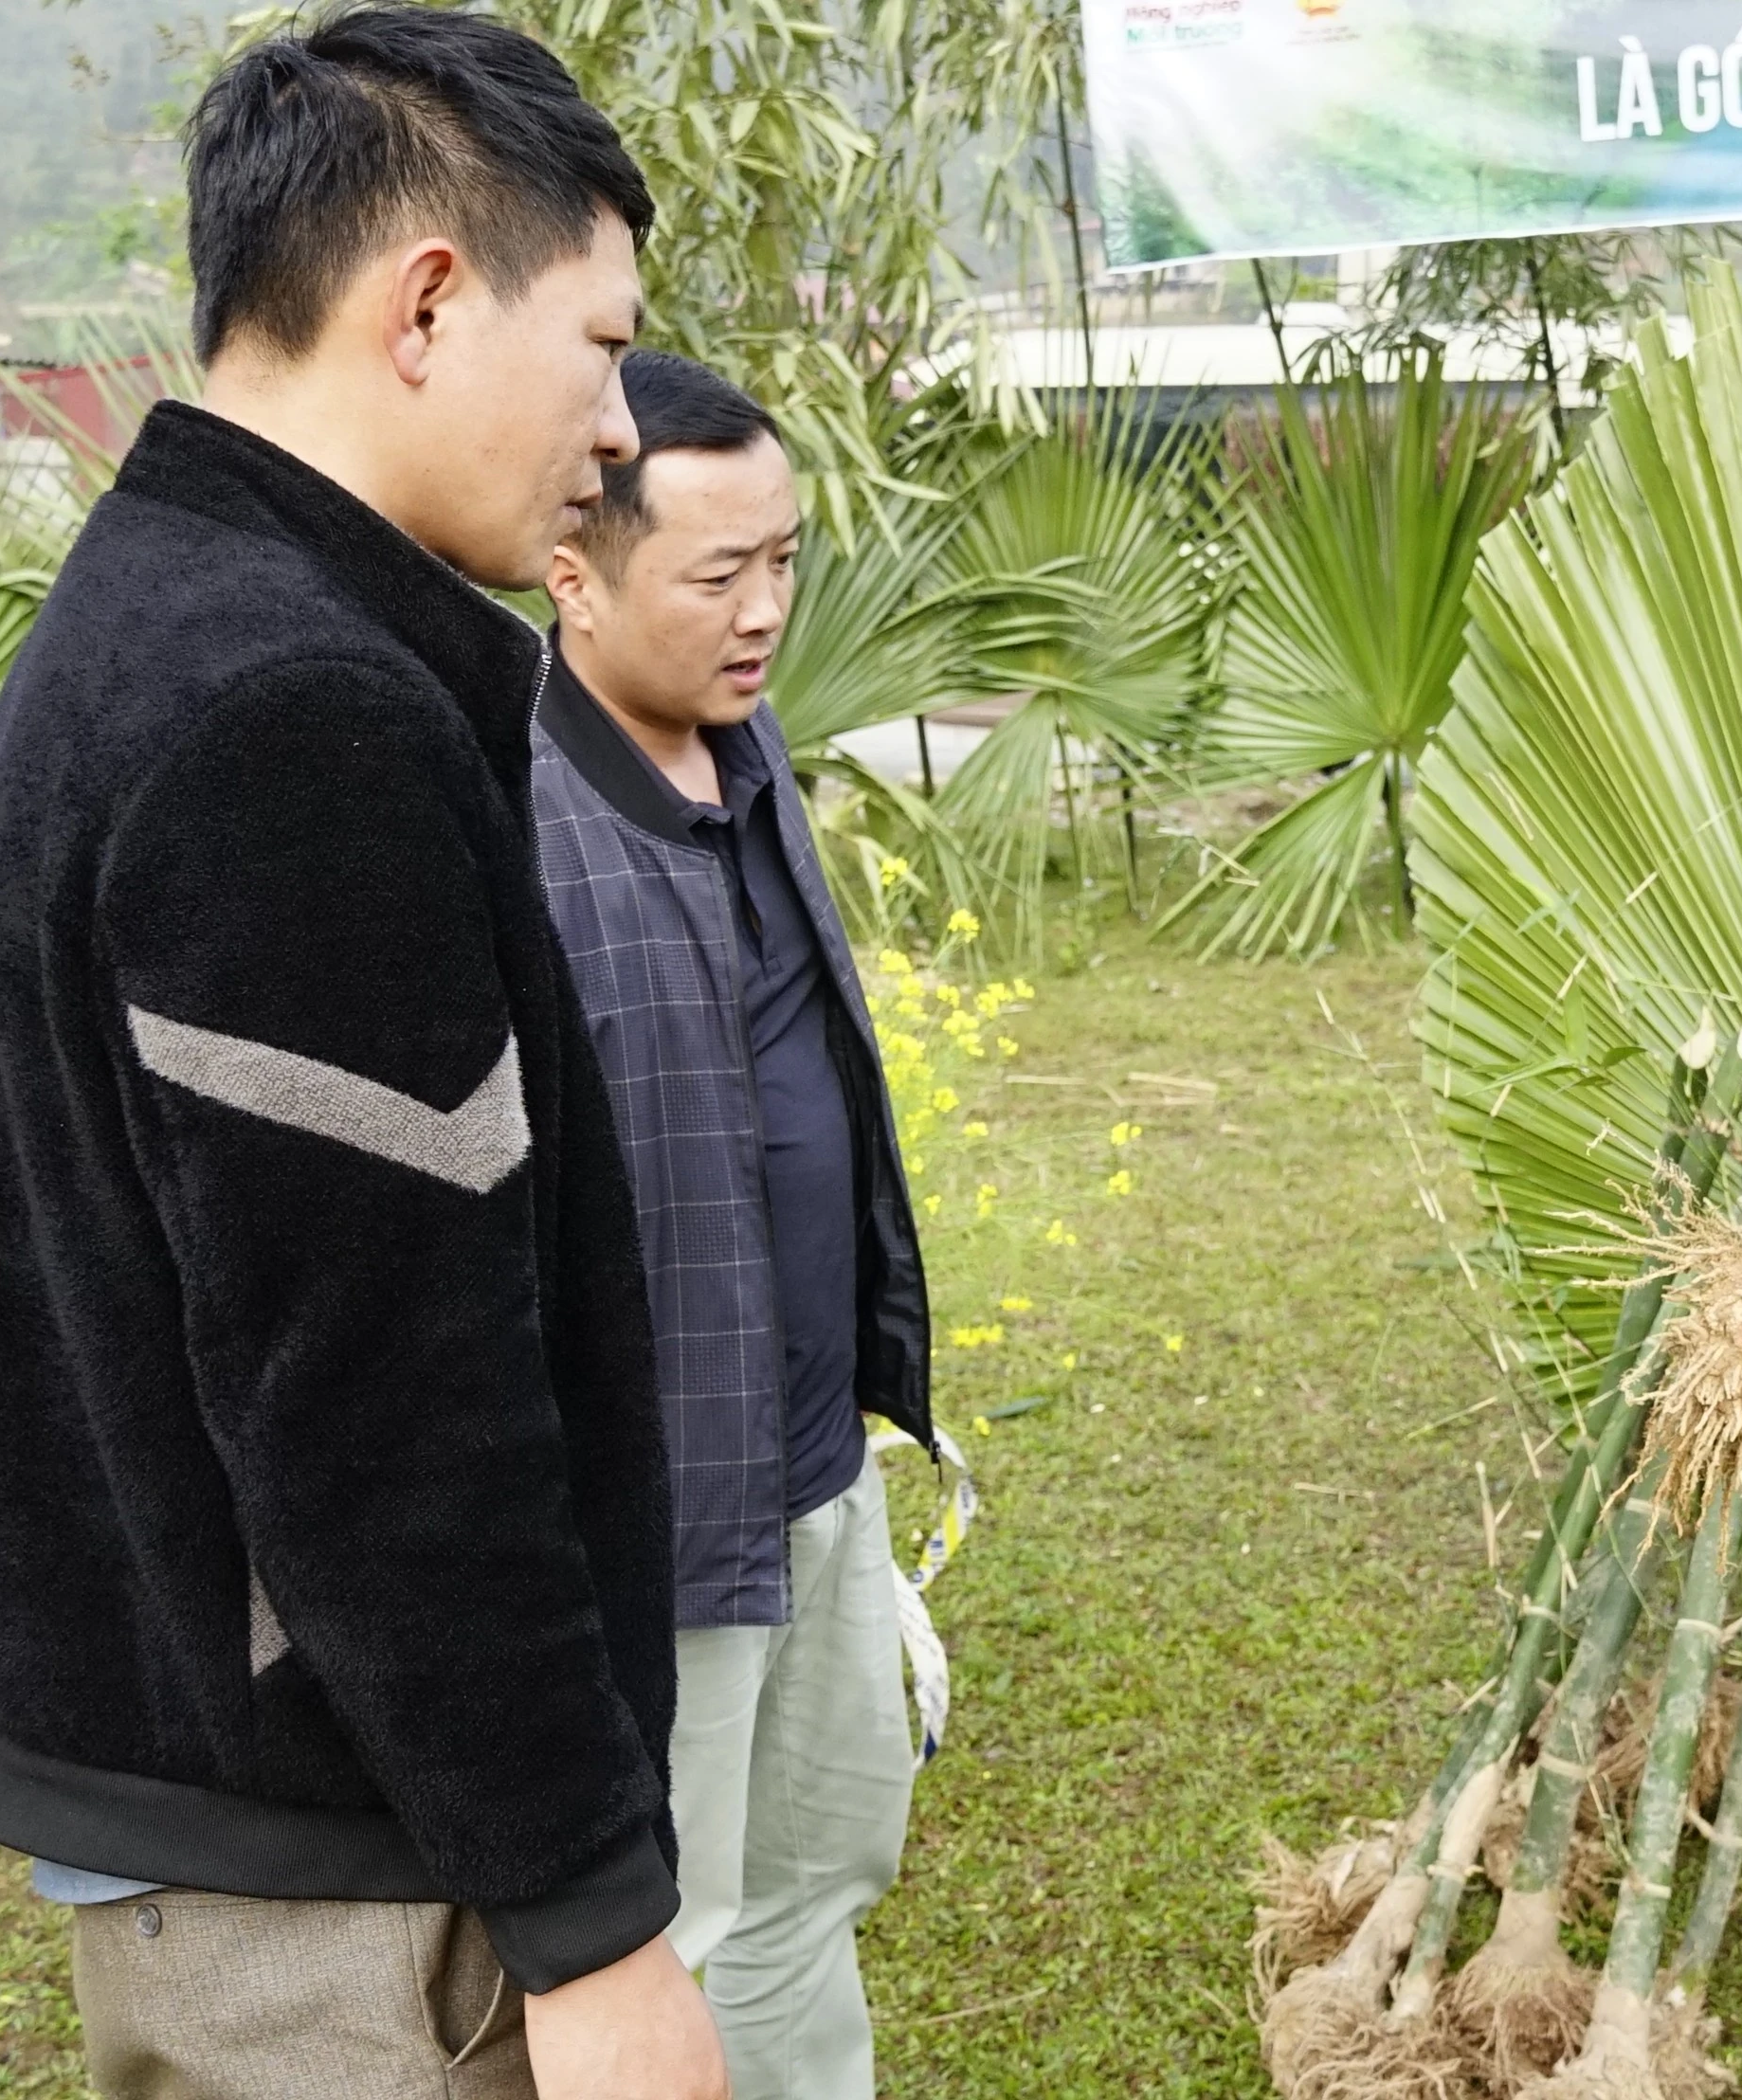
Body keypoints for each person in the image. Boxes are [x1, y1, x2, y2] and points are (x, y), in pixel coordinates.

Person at [0, 11, 723, 2099]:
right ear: (429, 304)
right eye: (604, 347)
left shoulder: (165, 603)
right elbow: (384, 1403)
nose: (618, 431)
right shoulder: (294, 712)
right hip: (343, 1882)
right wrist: (596, 1931)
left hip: (237, 1784)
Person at [529, 350, 935, 2100]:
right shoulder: (514, 819)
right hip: (661, 1517)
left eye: (785, 560)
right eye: (718, 574)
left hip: (818, 1469)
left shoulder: (747, 750)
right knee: (670, 1921)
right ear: (574, 571)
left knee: (820, 1872)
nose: (766, 611)